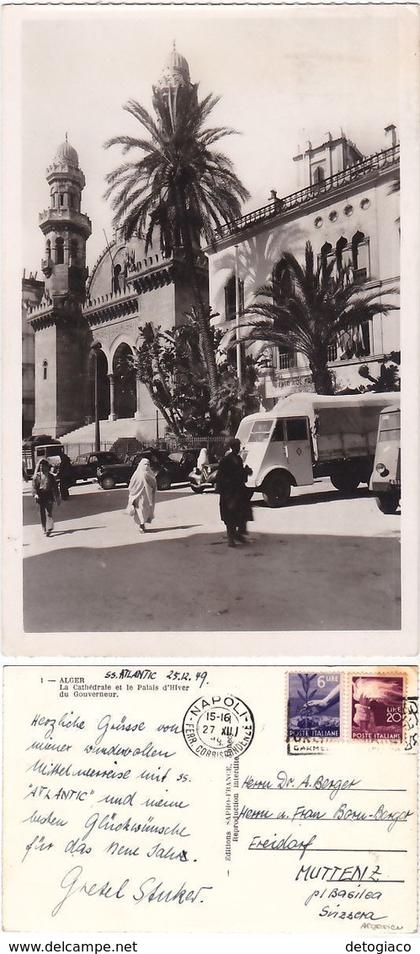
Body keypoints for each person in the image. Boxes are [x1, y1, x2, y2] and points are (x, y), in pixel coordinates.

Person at [215, 438, 253, 547]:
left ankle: (237, 534)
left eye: (239, 446)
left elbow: (241, 476)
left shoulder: (238, 459)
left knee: (241, 513)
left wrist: (246, 472)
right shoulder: (226, 460)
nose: (239, 448)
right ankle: (231, 538)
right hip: (229, 492)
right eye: (237, 446)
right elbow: (221, 476)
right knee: (230, 515)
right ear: (233, 447)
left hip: (238, 490)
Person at [126, 457, 157, 532]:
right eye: (145, 464)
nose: (146, 466)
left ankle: (142, 524)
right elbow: (131, 485)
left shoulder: (148, 473)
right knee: (140, 509)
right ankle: (142, 524)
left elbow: (154, 484)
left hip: (145, 495)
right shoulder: (138, 474)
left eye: (147, 464)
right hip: (138, 495)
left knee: (143, 509)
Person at [32, 458, 60, 536]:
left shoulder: (51, 476)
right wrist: (35, 494)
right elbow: (33, 487)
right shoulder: (36, 477)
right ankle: (44, 527)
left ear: (47, 467)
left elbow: (55, 487)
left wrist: (57, 497)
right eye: (40, 467)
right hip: (40, 496)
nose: (42, 468)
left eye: (43, 467)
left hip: (48, 495)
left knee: (49, 513)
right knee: (42, 513)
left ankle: (49, 528)